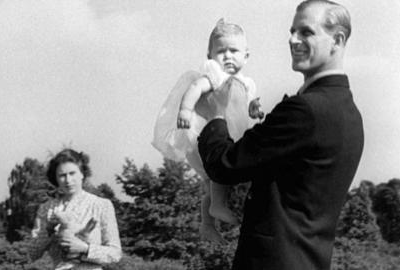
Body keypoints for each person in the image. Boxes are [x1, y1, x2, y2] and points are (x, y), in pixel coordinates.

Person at [197, 1, 364, 269]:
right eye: (292, 31)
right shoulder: (350, 113)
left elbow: (224, 165)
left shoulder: (306, 110)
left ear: (337, 39)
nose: (292, 40)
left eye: (306, 32)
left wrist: (216, 114)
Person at [152, 18, 263, 243]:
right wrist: (185, 109)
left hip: (235, 135)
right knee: (219, 177)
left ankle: (208, 224)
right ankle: (218, 207)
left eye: (234, 51)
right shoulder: (215, 75)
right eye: (221, 51)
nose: (228, 56)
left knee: (211, 186)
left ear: (246, 56)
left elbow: (248, 104)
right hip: (215, 137)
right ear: (210, 55)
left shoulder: (247, 82)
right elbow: (195, 88)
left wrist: (255, 109)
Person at [30, 149, 122, 270]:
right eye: (62, 175)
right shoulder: (46, 208)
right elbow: (33, 254)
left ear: (82, 174)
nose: (68, 180)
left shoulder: (101, 205)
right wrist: (49, 230)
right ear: (56, 178)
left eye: (72, 173)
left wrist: (85, 249)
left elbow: (115, 254)